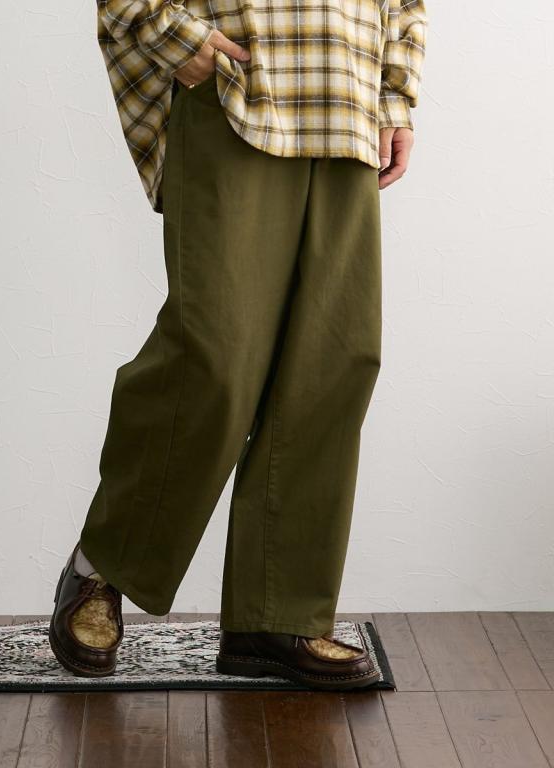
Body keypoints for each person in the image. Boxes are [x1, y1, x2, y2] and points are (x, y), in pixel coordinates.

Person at [49, 0, 428, 690]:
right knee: (214, 356)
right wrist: (176, 35)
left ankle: (275, 617)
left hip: (347, 98)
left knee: (332, 364)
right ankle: (101, 564)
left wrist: (395, 96)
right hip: (235, 85)